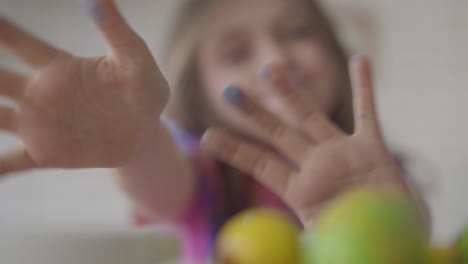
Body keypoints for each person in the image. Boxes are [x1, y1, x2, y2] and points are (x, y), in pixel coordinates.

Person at [0, 0, 429, 262]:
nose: (275, 59)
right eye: (236, 51)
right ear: (200, 93)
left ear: (334, 53)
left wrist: (390, 219)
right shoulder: (204, 174)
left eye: (297, 33)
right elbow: (158, 178)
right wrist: (138, 140)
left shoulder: (376, 171)